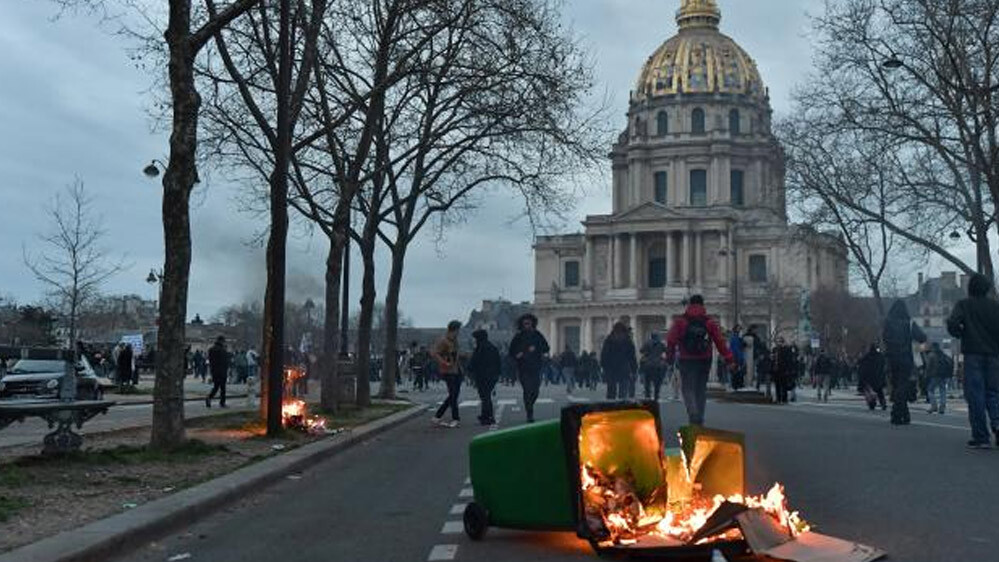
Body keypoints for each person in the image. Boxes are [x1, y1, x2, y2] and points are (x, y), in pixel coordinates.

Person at [947, 273, 999, 448]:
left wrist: (962, 334)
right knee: (993, 393)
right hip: (994, 354)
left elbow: (953, 323)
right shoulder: (995, 306)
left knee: (975, 394)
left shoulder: (964, 305)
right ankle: (997, 423)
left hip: (973, 352)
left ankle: (981, 435)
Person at [665, 295, 735, 425]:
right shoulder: (709, 322)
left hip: (686, 359)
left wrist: (669, 358)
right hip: (705, 359)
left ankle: (693, 413)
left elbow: (671, 341)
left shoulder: (680, 321)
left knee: (687, 389)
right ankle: (700, 418)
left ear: (689, 305)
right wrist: (729, 359)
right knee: (700, 390)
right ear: (703, 305)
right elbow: (720, 342)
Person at [882, 300, 927, 426]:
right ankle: (897, 414)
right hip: (905, 357)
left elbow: (885, 338)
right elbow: (922, 337)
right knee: (902, 385)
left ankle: (903, 415)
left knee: (896, 385)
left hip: (892, 357)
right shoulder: (909, 323)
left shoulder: (888, 322)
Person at [508, 314, 550, 423]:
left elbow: (546, 348)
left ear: (532, 323)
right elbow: (511, 351)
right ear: (522, 324)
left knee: (535, 391)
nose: (526, 325)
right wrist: (517, 355)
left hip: (536, 366)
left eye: (528, 323)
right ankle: (529, 413)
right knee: (527, 390)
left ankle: (530, 405)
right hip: (523, 367)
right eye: (525, 323)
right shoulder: (518, 336)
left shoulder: (537, 335)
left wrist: (536, 348)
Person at [431, 321, 464, 428]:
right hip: (448, 370)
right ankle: (455, 417)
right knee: (453, 394)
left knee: (454, 394)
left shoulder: (455, 341)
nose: (459, 333)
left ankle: (438, 415)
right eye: (458, 330)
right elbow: (435, 353)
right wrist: (444, 362)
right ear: (453, 330)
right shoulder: (443, 341)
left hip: (457, 369)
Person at [469, 329, 501, 426]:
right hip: (493, 375)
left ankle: (488, 416)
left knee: (484, 396)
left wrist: (469, 369)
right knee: (486, 395)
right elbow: (498, 362)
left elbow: (474, 361)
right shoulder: (493, 347)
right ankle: (486, 415)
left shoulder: (480, 348)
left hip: (482, 375)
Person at [601, 322, 637, 400]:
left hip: (611, 368)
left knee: (611, 391)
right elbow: (632, 357)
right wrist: (634, 369)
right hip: (623, 368)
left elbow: (604, 355)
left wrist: (604, 367)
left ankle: (611, 408)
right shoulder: (628, 340)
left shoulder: (609, 340)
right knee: (623, 391)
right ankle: (621, 407)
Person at [924, 342, 953, 414]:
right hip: (943, 375)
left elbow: (928, 367)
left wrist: (926, 375)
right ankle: (942, 407)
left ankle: (934, 406)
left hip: (934, 375)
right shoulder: (943, 355)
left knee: (930, 390)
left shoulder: (931, 355)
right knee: (942, 391)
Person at [858, 343, 887, 410]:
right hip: (878, 377)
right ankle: (883, 403)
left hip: (869, 378)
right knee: (880, 392)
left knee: (869, 391)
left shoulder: (867, 357)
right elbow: (883, 364)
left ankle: (872, 402)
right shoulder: (880, 356)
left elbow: (861, 365)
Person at [640, 332, 668, 400]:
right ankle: (656, 395)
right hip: (658, 365)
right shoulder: (661, 343)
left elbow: (641, 350)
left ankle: (647, 395)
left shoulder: (647, 343)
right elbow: (666, 351)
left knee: (647, 381)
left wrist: (647, 353)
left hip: (648, 364)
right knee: (657, 382)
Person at [207, 336, 230, 408]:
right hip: (222, 371)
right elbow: (225, 361)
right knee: (223, 388)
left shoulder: (211, 349)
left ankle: (209, 397)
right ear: (222, 341)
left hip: (214, 371)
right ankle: (222, 403)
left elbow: (211, 361)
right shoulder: (222, 350)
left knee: (216, 387)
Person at [771, 338, 796, 404]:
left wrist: (789, 370)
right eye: (778, 342)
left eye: (780, 342)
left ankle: (784, 399)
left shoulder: (786, 349)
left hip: (783, 369)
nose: (779, 343)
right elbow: (773, 359)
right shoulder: (775, 349)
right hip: (776, 369)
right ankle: (778, 398)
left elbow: (789, 360)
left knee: (783, 384)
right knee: (777, 385)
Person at [728, 325, 745, 390]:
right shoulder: (734, 338)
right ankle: (736, 385)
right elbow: (735, 349)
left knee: (738, 371)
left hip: (738, 356)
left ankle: (737, 384)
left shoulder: (737, 338)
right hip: (736, 357)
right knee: (736, 371)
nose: (740, 331)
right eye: (739, 329)